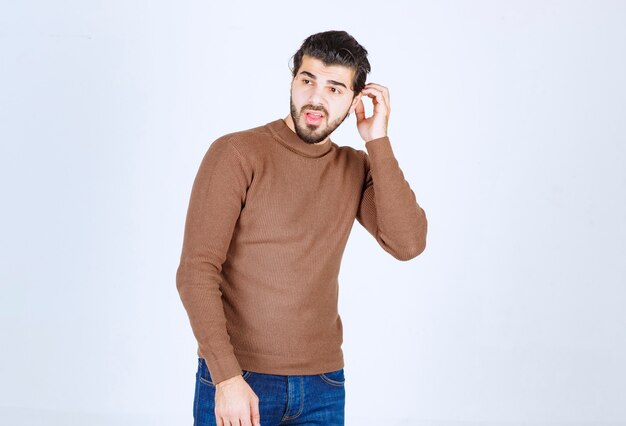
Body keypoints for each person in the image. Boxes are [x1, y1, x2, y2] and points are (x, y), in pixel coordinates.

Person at [176, 29, 428, 426]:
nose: (316, 98)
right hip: (239, 376)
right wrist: (226, 377)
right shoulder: (237, 152)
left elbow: (408, 243)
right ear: (293, 80)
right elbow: (196, 271)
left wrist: (377, 141)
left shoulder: (354, 168)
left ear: (355, 99)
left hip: (323, 385)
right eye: (308, 80)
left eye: (335, 88)